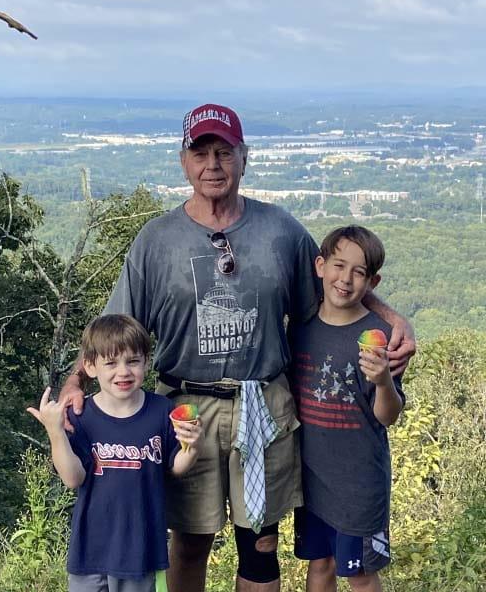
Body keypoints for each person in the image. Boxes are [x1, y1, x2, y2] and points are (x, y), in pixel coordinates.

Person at [60, 103, 416, 592]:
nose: (213, 165)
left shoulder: (280, 231)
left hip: (263, 401)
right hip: (185, 408)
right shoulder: (157, 240)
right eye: (200, 152)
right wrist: (75, 382)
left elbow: (336, 280)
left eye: (224, 152)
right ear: (183, 161)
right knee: (188, 540)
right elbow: (115, 328)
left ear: (244, 159)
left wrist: (393, 318)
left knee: (260, 543)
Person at [28, 314, 202, 592]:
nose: (123, 372)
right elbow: (73, 478)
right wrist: (55, 433)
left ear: (146, 360)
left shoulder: (162, 411)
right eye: (111, 363)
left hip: (139, 554)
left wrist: (191, 445)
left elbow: (177, 467)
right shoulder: (81, 416)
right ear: (90, 366)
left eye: (132, 361)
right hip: (89, 551)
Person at [288, 225, 404, 592]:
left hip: (358, 485)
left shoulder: (378, 336)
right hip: (310, 479)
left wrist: (384, 380)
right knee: (319, 564)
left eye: (359, 272)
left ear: (373, 281)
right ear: (320, 266)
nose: (346, 279)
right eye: (339, 265)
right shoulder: (299, 328)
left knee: (359, 573)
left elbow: (388, 416)